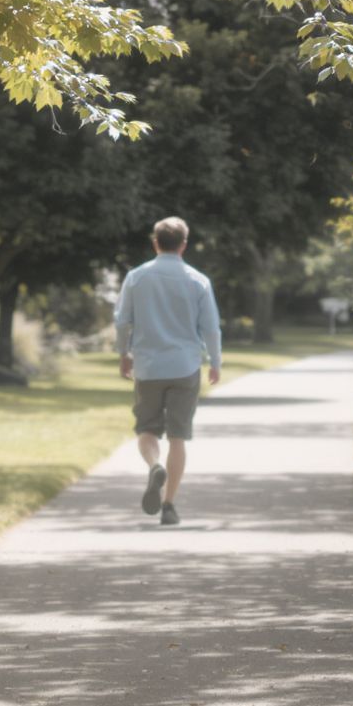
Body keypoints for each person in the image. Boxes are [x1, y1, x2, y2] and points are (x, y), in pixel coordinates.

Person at [114, 217, 221, 526]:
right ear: (184, 245)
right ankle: (169, 505)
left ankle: (153, 465)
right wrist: (215, 361)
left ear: (155, 243)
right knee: (178, 436)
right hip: (185, 366)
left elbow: (122, 321)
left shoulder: (136, 277)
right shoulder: (198, 280)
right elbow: (210, 327)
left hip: (148, 366)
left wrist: (124, 354)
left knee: (147, 430)